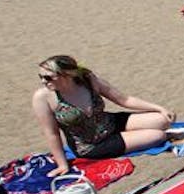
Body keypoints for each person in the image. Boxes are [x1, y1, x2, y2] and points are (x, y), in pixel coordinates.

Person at [32, 55, 175, 175]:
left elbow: (123, 99)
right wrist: (62, 164)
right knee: (158, 136)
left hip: (109, 122)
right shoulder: (43, 97)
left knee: (163, 120)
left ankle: (135, 133)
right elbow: (52, 134)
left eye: (48, 77)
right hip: (92, 144)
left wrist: (159, 108)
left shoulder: (87, 80)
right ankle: (134, 136)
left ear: (67, 75)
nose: (44, 81)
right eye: (41, 77)